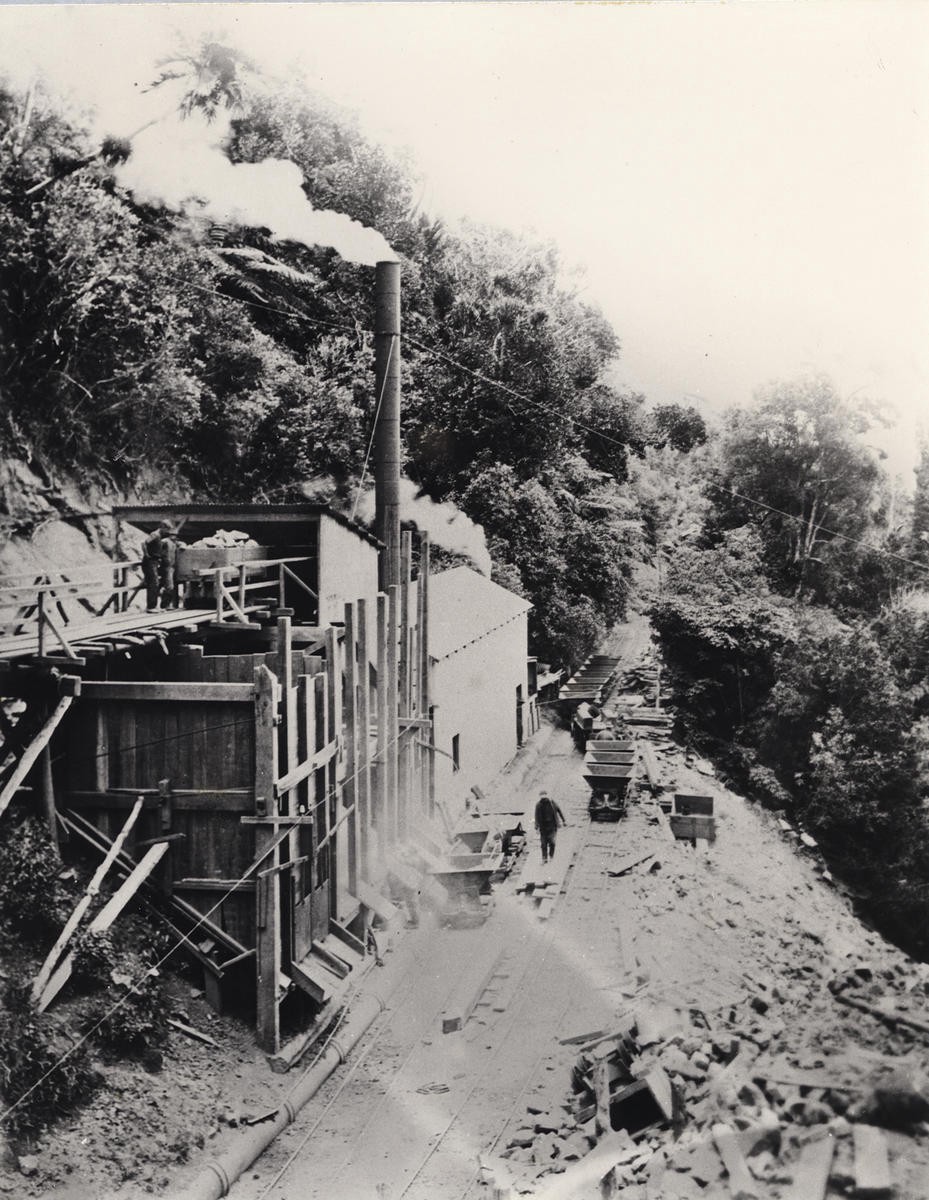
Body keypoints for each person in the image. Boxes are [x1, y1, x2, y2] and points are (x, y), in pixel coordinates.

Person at [141, 521, 175, 612]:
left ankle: (153, 606)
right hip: (150, 561)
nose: (167, 532)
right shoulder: (155, 534)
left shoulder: (159, 536)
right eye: (167, 529)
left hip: (155, 561)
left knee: (155, 583)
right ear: (162, 527)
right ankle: (151, 607)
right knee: (153, 583)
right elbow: (144, 543)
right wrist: (146, 555)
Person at [535, 791, 566, 865]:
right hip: (543, 827)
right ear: (540, 796)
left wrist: (563, 820)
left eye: (544, 795)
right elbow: (536, 816)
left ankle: (551, 856)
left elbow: (559, 810)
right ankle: (544, 858)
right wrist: (536, 827)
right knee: (543, 844)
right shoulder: (538, 805)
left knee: (552, 842)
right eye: (542, 796)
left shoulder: (552, 803)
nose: (543, 797)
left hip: (552, 826)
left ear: (547, 795)